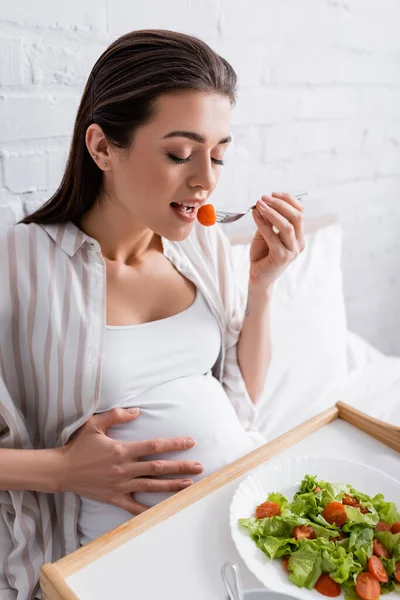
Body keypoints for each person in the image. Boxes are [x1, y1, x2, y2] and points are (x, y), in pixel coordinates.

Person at [0, 29, 305, 599]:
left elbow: (244, 395)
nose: (206, 180)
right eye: (179, 154)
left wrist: (262, 288)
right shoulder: (18, 265)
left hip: (244, 520)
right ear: (101, 148)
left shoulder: (201, 245)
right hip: (117, 562)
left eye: (217, 155)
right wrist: (64, 470)